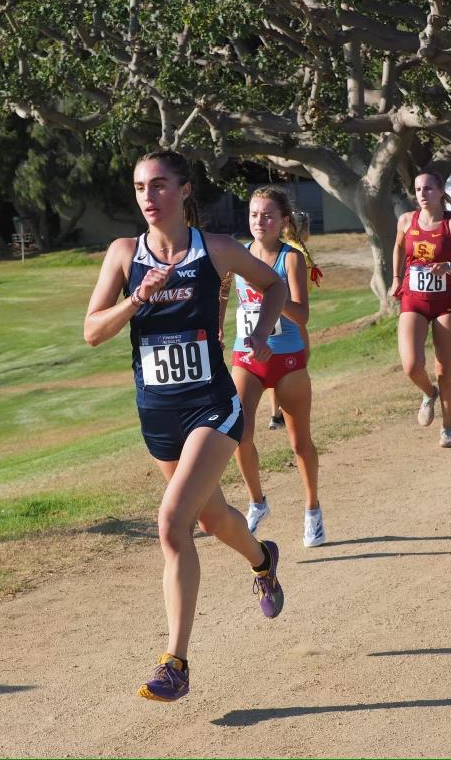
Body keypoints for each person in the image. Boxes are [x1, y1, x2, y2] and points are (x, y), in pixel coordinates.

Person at [84, 150, 287, 703]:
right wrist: (136, 298)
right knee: (212, 516)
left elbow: (275, 286)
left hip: (211, 406)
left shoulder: (215, 250)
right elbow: (92, 332)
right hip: (157, 413)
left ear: (185, 190)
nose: (149, 198)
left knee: (173, 524)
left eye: (160, 186)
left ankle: (175, 663)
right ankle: (263, 560)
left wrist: (262, 336)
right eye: (139, 188)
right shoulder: (124, 254)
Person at [221, 188, 324, 548]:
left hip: (287, 358)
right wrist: (218, 327)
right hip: (247, 357)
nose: (259, 221)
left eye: (266, 215)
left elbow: (302, 315)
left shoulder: (290, 258)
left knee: (299, 442)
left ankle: (312, 510)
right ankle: (257, 502)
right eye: (253, 214)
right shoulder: (238, 254)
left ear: (282, 221)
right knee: (239, 435)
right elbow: (224, 294)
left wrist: (271, 295)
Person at [389, 172, 451, 448]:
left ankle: (448, 427)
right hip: (413, 299)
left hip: (445, 303)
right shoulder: (406, 220)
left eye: (428, 189)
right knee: (411, 365)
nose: (422, 194)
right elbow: (399, 249)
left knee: (444, 368)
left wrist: (450, 267)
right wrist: (395, 278)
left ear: (440, 192)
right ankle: (429, 394)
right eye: (417, 189)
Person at [264, 210, 319, 430]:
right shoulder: (292, 252)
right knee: (297, 359)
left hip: (280, 312)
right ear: (302, 229)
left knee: (276, 361)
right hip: (290, 315)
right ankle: (283, 412)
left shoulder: (291, 249)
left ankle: (276, 414)